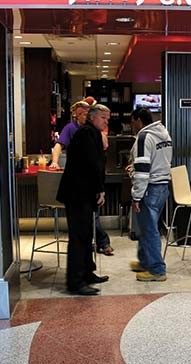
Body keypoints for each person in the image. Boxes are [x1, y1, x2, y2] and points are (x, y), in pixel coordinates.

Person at [56, 104, 111, 296]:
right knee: (79, 237)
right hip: (77, 193)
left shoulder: (91, 133)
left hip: (84, 192)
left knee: (87, 234)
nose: (106, 122)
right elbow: (92, 164)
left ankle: (87, 272)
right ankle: (76, 281)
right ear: (92, 117)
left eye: (107, 118)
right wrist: (100, 190)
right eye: (103, 117)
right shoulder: (86, 134)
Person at [50, 99, 114, 255]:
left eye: (86, 112)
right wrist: (54, 161)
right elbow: (59, 145)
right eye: (80, 113)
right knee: (85, 224)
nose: (83, 115)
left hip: (89, 182)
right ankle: (99, 245)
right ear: (75, 115)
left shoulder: (94, 130)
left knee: (90, 220)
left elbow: (104, 145)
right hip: (80, 184)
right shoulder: (73, 129)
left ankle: (94, 250)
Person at [128, 108, 173, 282]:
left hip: (149, 188)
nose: (132, 126)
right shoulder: (164, 134)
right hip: (162, 186)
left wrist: (137, 196)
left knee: (150, 230)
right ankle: (145, 261)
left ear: (138, 120)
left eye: (132, 122)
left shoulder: (144, 137)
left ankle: (157, 269)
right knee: (146, 227)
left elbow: (142, 170)